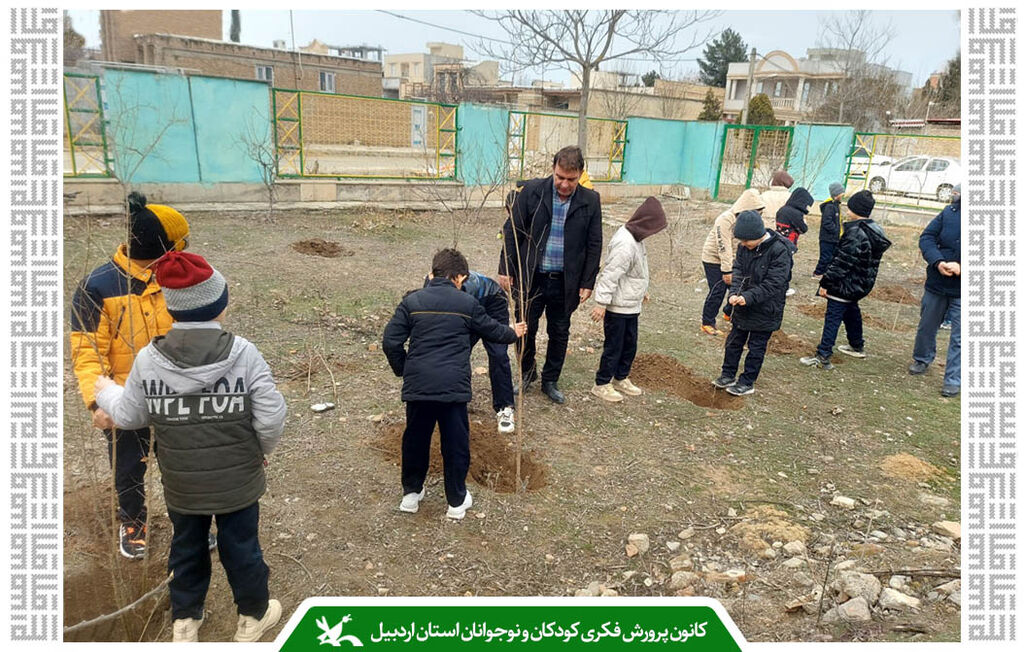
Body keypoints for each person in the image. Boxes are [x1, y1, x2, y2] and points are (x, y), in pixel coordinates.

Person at [94, 251, 287, 643]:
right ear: (220, 304)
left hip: (182, 484)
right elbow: (270, 417)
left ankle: (185, 621)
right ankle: (253, 618)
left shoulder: (149, 359)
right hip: (238, 481)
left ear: (173, 307)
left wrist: (108, 393)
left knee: (187, 547)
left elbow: (130, 415)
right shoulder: (244, 353)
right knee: (242, 547)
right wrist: (261, 451)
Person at [69, 191, 189, 560]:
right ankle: (133, 520)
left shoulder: (176, 279)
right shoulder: (99, 287)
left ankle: (189, 523)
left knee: (181, 466)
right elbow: (87, 350)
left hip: (174, 398)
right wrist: (95, 400)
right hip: (124, 400)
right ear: (164, 249)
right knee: (127, 468)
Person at [383, 249, 526, 520]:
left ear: (432, 272)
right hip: (452, 389)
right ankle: (456, 502)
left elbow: (390, 341)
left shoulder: (412, 301)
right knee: (455, 443)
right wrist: (513, 332)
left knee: (415, 439)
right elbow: (492, 330)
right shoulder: (468, 304)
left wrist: (405, 368)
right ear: (458, 276)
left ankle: (411, 495)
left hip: (419, 388)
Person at [497, 146, 603, 404]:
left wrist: (588, 281)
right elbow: (513, 231)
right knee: (525, 329)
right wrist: (506, 268)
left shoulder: (590, 200)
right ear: (553, 170)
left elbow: (594, 243)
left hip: (566, 281)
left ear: (580, 174)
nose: (564, 184)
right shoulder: (533, 191)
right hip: (531, 277)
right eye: (560, 177)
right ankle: (527, 372)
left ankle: (550, 379)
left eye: (571, 179)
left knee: (559, 331)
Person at [800, 190, 891, 369]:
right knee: (851, 311)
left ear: (855, 209)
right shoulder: (874, 229)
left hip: (845, 284)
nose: (847, 210)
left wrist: (825, 283)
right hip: (861, 283)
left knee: (833, 316)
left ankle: (823, 355)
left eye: (850, 208)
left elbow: (842, 262)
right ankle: (856, 345)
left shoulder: (856, 233)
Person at [590, 197, 667, 402]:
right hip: (618, 307)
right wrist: (602, 303)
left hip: (631, 304)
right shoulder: (625, 243)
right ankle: (602, 383)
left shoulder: (636, 239)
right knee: (614, 346)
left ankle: (621, 377)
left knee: (629, 344)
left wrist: (642, 291)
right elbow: (611, 274)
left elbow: (635, 272)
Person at [711, 210, 795, 396]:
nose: (743, 245)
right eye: (741, 241)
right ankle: (727, 375)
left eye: (746, 241)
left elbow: (774, 283)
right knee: (734, 342)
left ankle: (747, 381)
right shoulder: (743, 248)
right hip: (742, 306)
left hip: (766, 308)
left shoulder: (780, 250)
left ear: (758, 235)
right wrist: (734, 293)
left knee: (756, 347)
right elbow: (738, 270)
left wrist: (748, 297)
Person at [425, 267, 516, 434]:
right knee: (457, 351)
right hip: (469, 308)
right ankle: (454, 399)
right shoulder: (429, 285)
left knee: (498, 353)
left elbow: (481, 322)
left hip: (492, 302)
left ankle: (505, 408)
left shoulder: (464, 289)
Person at [908, 184, 961, 397]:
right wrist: (938, 261)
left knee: (959, 337)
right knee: (927, 326)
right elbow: (927, 237)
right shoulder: (949, 213)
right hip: (937, 282)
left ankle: (953, 379)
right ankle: (922, 358)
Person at [699, 188, 766, 336]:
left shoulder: (750, 220)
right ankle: (707, 322)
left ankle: (728, 312)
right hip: (714, 258)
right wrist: (727, 270)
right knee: (718, 290)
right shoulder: (726, 219)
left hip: (732, 259)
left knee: (739, 289)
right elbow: (724, 246)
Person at [813, 182, 845, 279]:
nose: (843, 195)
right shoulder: (829, 207)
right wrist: (835, 230)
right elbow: (827, 222)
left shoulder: (836, 205)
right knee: (825, 257)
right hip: (827, 238)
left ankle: (826, 272)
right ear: (836, 194)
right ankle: (818, 273)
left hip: (834, 238)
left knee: (831, 257)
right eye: (841, 193)